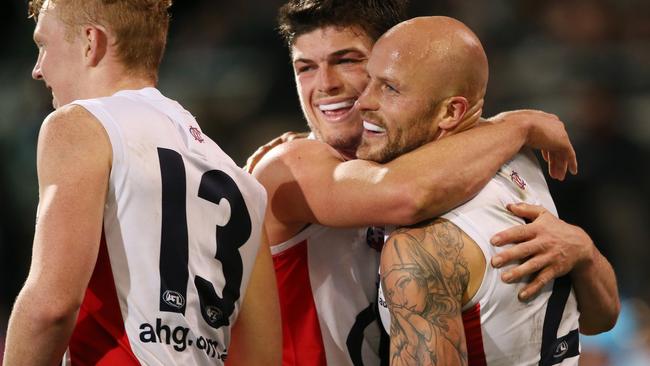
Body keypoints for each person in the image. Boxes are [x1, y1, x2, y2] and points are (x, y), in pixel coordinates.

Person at [248, 1, 617, 365]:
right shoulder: (291, 165)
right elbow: (405, 194)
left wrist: (583, 251)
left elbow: (597, 319)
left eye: (347, 61)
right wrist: (518, 125)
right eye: (305, 67)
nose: (325, 84)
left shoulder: (488, 161)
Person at [3, 1, 280, 365]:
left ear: (91, 42)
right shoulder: (245, 186)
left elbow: (50, 307)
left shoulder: (80, 124)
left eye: (43, 45)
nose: (38, 70)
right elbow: (260, 359)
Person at [370, 16, 619, 364]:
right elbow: (600, 319)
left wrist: (584, 250)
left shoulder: (420, 250)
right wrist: (585, 250)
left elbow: (603, 319)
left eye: (389, 88)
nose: (363, 102)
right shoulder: (518, 152)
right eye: (368, 81)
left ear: (450, 111)